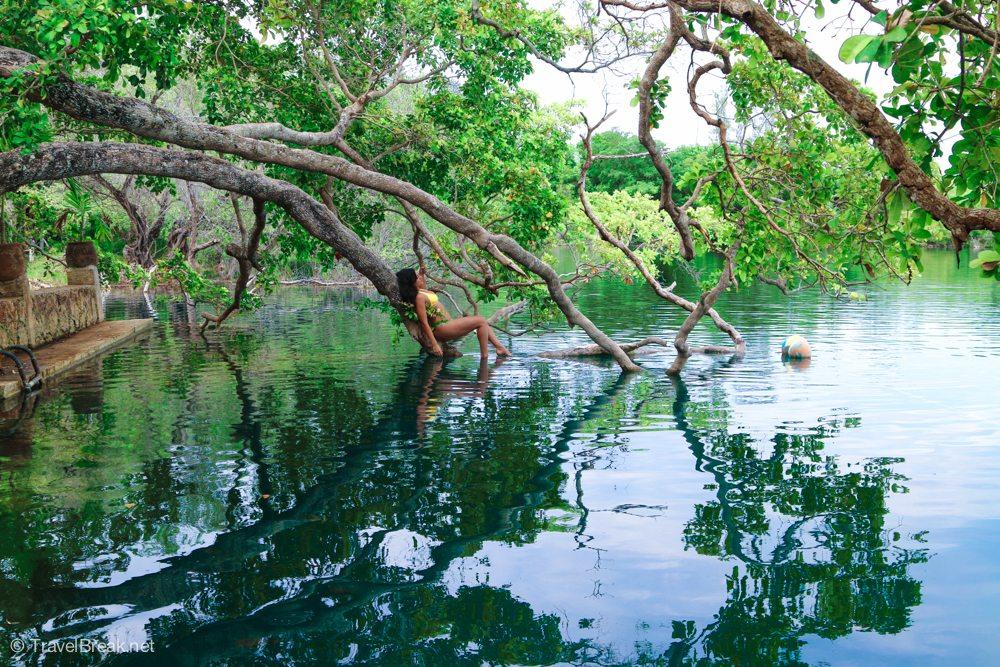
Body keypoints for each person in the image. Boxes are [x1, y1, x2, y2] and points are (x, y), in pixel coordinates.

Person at [396, 267, 511, 358]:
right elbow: (424, 322)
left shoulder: (421, 291)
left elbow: (426, 292)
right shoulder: (418, 298)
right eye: (417, 277)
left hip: (448, 324)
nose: (419, 278)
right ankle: (484, 357)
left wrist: (422, 274)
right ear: (412, 281)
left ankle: (499, 348)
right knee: (480, 320)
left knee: (482, 323)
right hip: (441, 329)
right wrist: (435, 344)